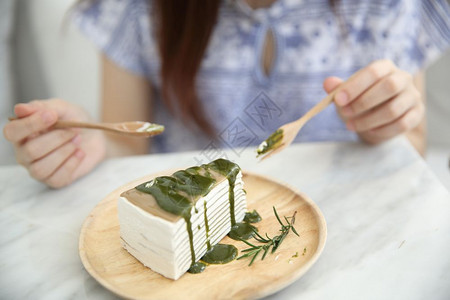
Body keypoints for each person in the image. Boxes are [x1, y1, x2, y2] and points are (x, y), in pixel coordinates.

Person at [3, 0, 449, 188]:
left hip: (343, 222)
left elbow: (411, 145)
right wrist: (84, 143)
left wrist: (382, 126)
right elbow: (125, 139)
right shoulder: (139, 9)